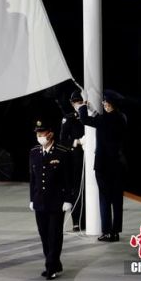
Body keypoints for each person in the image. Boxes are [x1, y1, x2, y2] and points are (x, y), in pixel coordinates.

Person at [74, 89, 127, 242]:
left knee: (104, 198)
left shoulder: (105, 120)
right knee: (117, 199)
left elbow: (84, 120)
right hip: (117, 164)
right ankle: (116, 231)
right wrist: (93, 110)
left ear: (111, 105)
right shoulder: (122, 118)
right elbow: (102, 121)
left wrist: (83, 105)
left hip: (103, 165)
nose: (103, 103)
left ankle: (107, 232)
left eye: (105, 102)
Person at [29, 120, 73, 280]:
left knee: (54, 235)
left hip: (56, 201)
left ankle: (51, 267)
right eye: (37, 134)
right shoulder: (34, 152)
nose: (39, 136)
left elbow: (69, 179)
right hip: (40, 201)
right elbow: (33, 179)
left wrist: (68, 199)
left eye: (42, 133)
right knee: (44, 235)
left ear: (50, 134)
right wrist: (32, 199)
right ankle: (54, 262)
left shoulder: (62, 152)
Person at [59, 90, 86, 232]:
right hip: (75, 159)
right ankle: (77, 221)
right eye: (76, 101)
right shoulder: (69, 118)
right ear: (71, 103)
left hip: (89, 157)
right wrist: (77, 142)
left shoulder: (89, 116)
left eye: (80, 101)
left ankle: (88, 220)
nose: (78, 104)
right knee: (76, 190)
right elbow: (62, 141)